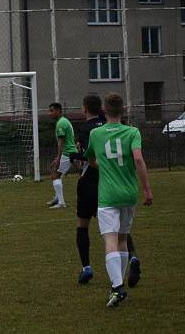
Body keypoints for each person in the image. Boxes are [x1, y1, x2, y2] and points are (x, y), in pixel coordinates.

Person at [83, 93, 153, 307]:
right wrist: (147, 190)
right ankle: (119, 283)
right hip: (129, 194)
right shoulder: (132, 131)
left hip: (108, 196)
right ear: (123, 110)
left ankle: (117, 287)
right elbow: (138, 159)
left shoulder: (96, 133)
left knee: (110, 239)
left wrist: (104, 167)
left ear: (104, 109)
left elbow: (90, 159)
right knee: (123, 238)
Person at [70, 95, 142, 286]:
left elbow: (86, 157)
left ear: (85, 109)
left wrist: (74, 155)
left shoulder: (89, 131)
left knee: (83, 225)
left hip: (93, 184)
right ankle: (132, 257)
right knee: (120, 230)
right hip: (119, 184)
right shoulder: (120, 127)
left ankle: (87, 267)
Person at [47, 102, 77, 209]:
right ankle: (57, 198)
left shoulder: (61, 123)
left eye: (52, 111)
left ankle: (61, 203)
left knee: (55, 175)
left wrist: (58, 158)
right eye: (49, 111)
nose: (49, 113)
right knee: (55, 175)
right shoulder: (63, 121)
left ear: (59, 111)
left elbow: (61, 142)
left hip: (67, 153)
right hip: (69, 152)